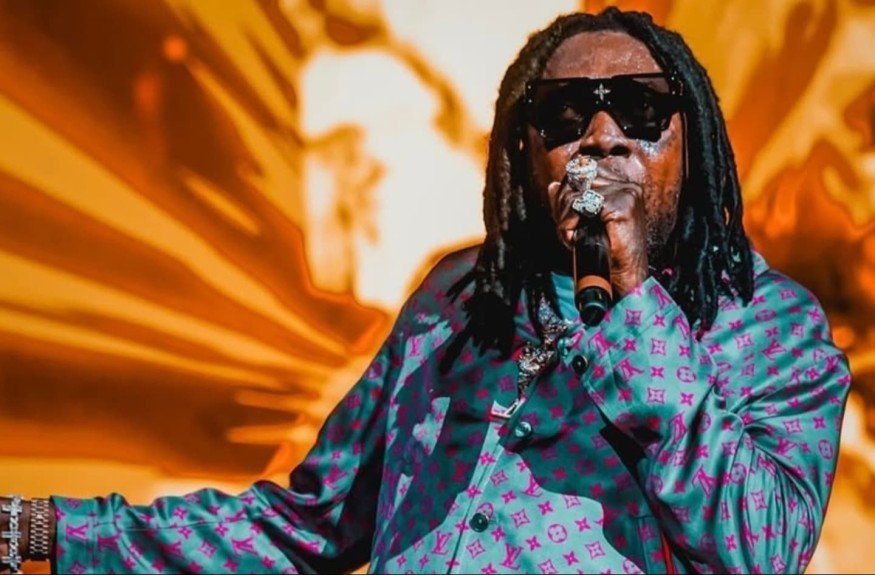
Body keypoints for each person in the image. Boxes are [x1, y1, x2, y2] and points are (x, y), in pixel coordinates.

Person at [0, 7, 851, 575]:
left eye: (639, 109)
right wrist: (37, 530)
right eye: (564, 114)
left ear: (691, 142)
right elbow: (309, 524)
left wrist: (631, 305)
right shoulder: (458, 295)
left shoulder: (767, 325)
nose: (602, 137)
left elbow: (761, 548)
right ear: (522, 152)